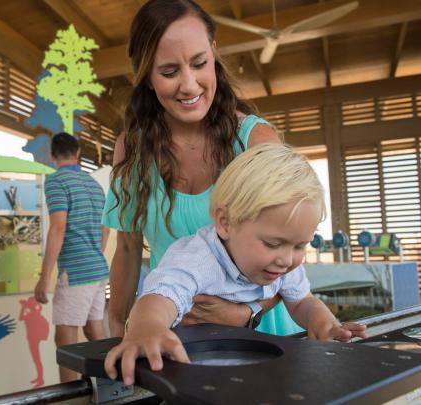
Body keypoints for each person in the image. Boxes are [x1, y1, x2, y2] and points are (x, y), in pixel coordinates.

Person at [105, 0, 295, 338]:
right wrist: (118, 328)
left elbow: (290, 247)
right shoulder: (132, 148)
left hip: (261, 331)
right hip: (174, 333)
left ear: (213, 53)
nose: (189, 85)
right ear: (147, 76)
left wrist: (245, 313)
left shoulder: (255, 142)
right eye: (169, 71)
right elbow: (128, 248)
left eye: (198, 63)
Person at [104, 144, 367, 385]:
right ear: (226, 223)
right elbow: (160, 296)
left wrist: (325, 323)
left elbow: (302, 301)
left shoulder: (283, 263)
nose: (287, 260)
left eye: (299, 246)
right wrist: (147, 327)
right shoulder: (198, 258)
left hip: (249, 361)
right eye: (273, 244)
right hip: (190, 366)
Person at [33, 132, 110, 382]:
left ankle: (69, 399)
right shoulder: (94, 185)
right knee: (95, 333)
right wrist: (95, 252)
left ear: (52, 155)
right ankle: (113, 391)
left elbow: (58, 228)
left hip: (76, 273)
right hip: (98, 269)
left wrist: (44, 277)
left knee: (66, 345)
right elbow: (105, 227)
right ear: (77, 154)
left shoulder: (56, 182)